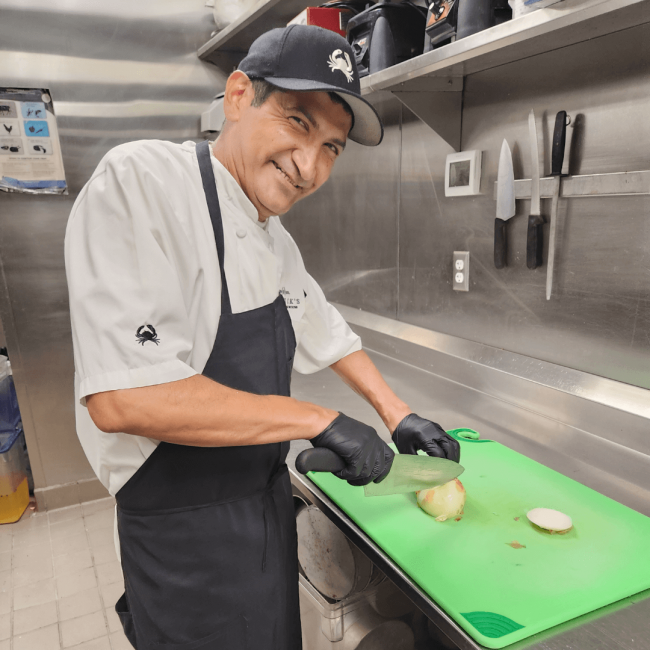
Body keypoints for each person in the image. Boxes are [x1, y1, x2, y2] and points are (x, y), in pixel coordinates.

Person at [65, 24, 460, 650]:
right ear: (239, 95)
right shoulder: (143, 182)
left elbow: (323, 328)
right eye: (298, 122)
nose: (309, 166)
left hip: (262, 507)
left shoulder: (271, 235)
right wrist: (320, 420)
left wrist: (398, 413)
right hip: (183, 535)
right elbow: (124, 400)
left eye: (332, 147)